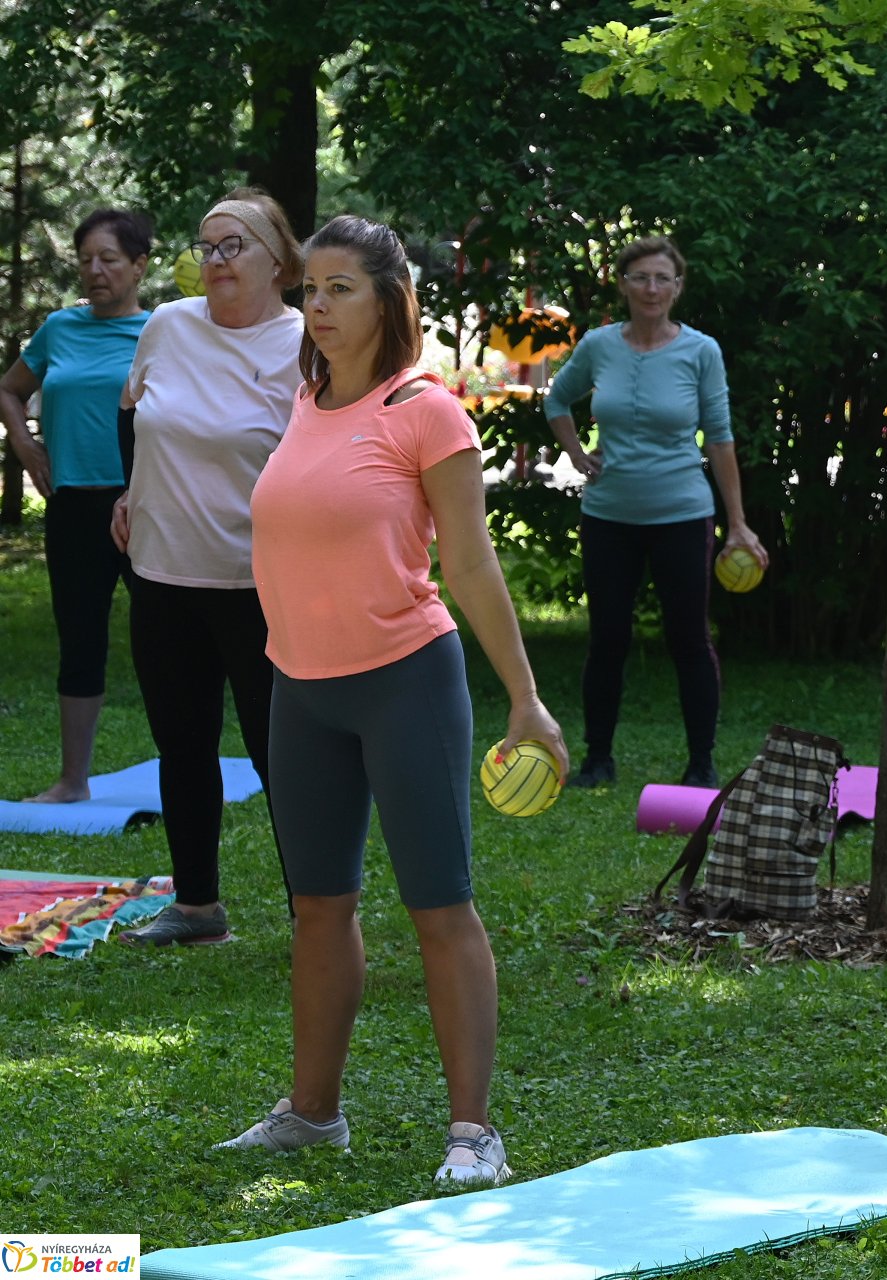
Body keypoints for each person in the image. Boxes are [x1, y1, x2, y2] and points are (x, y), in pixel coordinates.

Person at [224, 215, 567, 1183]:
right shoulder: (306, 398)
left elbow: (470, 563)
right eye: (311, 289)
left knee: (439, 904)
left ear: (390, 300)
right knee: (317, 905)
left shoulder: (428, 410)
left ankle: (474, 1133)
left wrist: (526, 698)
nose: (317, 306)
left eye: (340, 288)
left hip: (405, 680)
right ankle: (312, 1113)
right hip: (300, 688)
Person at [114, 188, 306, 948]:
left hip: (261, 584)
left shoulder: (305, 340)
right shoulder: (168, 324)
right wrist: (129, 490)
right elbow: (134, 411)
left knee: (281, 753)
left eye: (234, 245)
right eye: (207, 246)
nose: (216, 260)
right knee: (182, 746)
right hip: (162, 573)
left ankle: (316, 916)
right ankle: (197, 908)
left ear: (278, 261)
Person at [543, 235, 766, 791]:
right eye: (640, 277)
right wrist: (576, 454)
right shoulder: (598, 346)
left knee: (689, 639)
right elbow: (556, 399)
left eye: (662, 278)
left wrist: (737, 523)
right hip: (608, 515)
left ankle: (701, 763)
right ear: (623, 285)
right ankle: (598, 759)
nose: (651, 288)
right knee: (607, 639)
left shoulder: (701, 351)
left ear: (678, 287)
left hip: (682, 516)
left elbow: (720, 437)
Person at [0, 210, 152, 803]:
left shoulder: (162, 332)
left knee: (167, 641)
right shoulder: (59, 328)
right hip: (72, 509)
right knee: (79, 640)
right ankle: (72, 781)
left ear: (139, 266)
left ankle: (187, 767)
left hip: (144, 508)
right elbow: (9, 389)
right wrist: (24, 442)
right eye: (86, 259)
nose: (95, 270)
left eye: (109, 259)